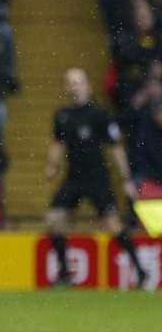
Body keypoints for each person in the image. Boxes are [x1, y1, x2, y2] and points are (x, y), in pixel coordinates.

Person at [43, 67, 148, 288]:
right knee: (53, 221)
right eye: (70, 82)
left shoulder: (100, 113)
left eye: (78, 82)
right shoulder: (62, 115)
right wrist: (52, 165)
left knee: (112, 225)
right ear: (65, 87)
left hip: (97, 177)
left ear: (87, 86)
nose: (74, 86)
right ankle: (65, 275)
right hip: (73, 176)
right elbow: (58, 142)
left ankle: (140, 271)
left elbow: (115, 147)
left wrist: (126, 178)